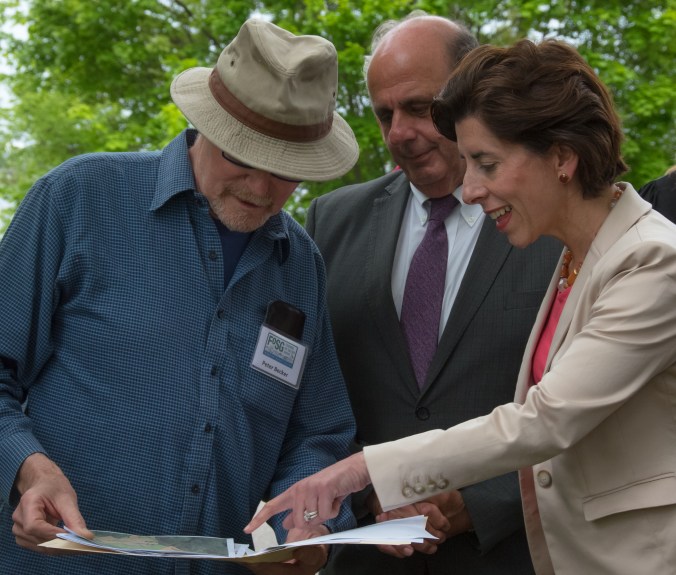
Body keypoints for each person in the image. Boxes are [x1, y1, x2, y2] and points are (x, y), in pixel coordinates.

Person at [247, 38, 676, 575]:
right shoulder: (577, 255)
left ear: (562, 157)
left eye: (486, 164)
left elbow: (543, 422)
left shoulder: (654, 260)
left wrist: (360, 470)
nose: (469, 189)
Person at [0, 18, 359, 575]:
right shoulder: (78, 199)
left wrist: (308, 526)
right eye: (243, 158)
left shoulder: (300, 265)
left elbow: (318, 434)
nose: (261, 189)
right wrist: (28, 468)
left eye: (287, 171)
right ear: (205, 126)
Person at [304, 12, 560, 575]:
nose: (398, 132)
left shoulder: (554, 223)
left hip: (512, 555)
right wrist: (368, 491)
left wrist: (477, 503)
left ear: (473, 95)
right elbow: (312, 400)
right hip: (366, 560)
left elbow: (588, 411)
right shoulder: (330, 222)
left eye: (419, 108)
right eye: (384, 114)